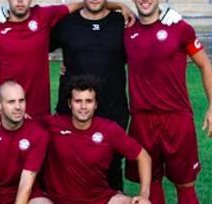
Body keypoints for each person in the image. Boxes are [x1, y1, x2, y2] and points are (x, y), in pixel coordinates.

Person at [123, 0, 212, 204]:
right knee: (151, 180)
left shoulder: (179, 28)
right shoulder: (126, 30)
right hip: (142, 120)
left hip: (176, 119)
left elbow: (205, 65)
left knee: (185, 183)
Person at [0, 0, 134, 117]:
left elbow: (81, 5)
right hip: (5, 108)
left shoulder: (44, 15)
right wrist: (4, 61)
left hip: (39, 109)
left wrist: (117, 5)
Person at [49, 0, 130, 191]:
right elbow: (35, 46)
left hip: (113, 108)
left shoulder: (121, 22)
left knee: (112, 166)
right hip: (72, 109)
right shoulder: (66, 23)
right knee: (70, 166)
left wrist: (121, 7)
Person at [40, 75, 153, 204]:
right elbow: (24, 126)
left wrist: (144, 194)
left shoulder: (109, 129)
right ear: (69, 103)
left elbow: (143, 156)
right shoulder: (52, 124)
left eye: (89, 101)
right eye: (78, 101)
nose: (83, 106)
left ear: (96, 104)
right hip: (57, 199)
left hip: (98, 199)